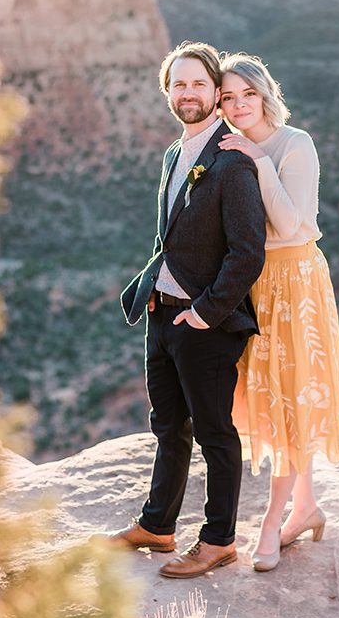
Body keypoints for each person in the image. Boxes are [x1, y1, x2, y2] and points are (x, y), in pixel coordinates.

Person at [104, 41, 266, 580]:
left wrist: (205, 312)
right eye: (179, 84)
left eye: (198, 84)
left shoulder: (232, 158)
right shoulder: (175, 154)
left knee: (215, 431)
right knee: (168, 424)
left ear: (215, 94)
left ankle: (219, 540)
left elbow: (248, 252)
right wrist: (155, 287)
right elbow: (168, 236)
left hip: (206, 321)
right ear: (168, 92)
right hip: (163, 312)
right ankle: (157, 525)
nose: (188, 93)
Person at [215, 52, 339, 572]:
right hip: (254, 284)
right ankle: (308, 506)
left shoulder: (296, 145)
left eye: (248, 93)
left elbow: (295, 226)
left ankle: (273, 522)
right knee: (274, 396)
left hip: (295, 282)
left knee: (292, 395)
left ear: (265, 92)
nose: (239, 104)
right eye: (228, 97)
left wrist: (257, 160)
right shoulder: (229, 146)